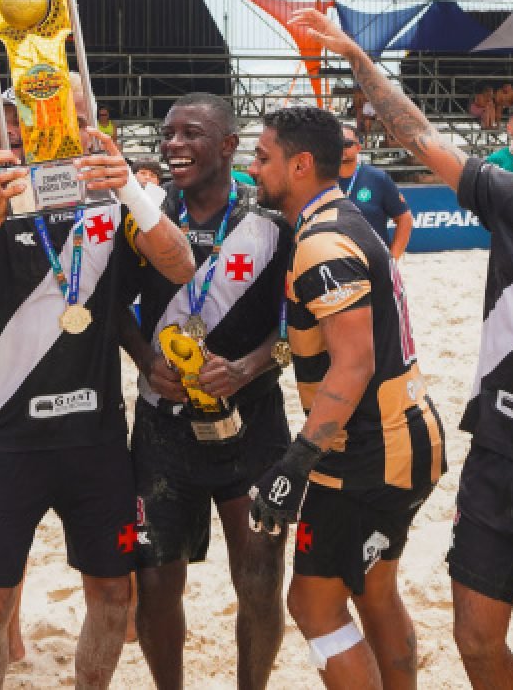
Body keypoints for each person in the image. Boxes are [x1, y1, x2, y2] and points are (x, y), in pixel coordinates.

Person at [288, 8, 513, 690]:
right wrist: (357, 60)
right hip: (494, 462)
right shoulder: (505, 202)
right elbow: (419, 132)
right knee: (476, 642)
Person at [0, 100, 194, 689]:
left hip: (94, 439)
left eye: (60, 112)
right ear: (12, 125)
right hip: (7, 439)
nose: (44, 125)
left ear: (86, 119)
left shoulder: (112, 193)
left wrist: (132, 194)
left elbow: (181, 267)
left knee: (113, 596)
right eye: (28, 114)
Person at [246, 106, 444, 690]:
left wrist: (295, 463)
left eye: (263, 158)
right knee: (373, 590)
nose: (253, 169)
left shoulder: (323, 241)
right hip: (402, 435)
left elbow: (353, 365)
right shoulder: (340, 217)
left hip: (366, 451)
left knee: (312, 604)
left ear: (300, 164)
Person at [118, 93, 292, 690]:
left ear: (227, 146)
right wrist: (144, 361)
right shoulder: (142, 214)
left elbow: (302, 326)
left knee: (261, 577)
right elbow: (114, 308)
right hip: (163, 429)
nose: (173, 145)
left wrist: (247, 367)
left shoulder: (271, 219)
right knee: (158, 582)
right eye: (167, 134)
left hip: (254, 425)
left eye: (192, 133)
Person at [338, 123, 412, 260]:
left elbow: (404, 219)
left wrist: (392, 260)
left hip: (372, 264)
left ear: (358, 147)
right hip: (334, 262)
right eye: (335, 143)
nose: (340, 148)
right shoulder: (320, 179)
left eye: (346, 143)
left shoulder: (378, 178)